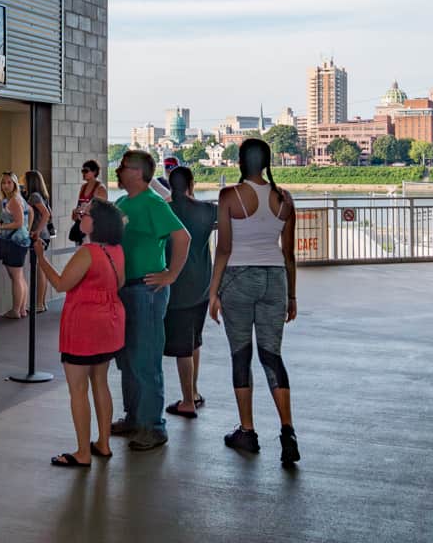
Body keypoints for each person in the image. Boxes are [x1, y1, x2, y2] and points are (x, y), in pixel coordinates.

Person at [208, 138, 301, 464]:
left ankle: (247, 431)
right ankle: (287, 429)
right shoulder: (284, 198)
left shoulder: (229, 196)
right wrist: (291, 295)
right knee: (272, 355)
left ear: (239, 162)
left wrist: (213, 291)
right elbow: (289, 253)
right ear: (266, 162)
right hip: (275, 278)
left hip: (238, 278)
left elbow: (224, 248)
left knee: (241, 353)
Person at [34, 198, 126, 466]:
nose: (81, 216)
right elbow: (119, 282)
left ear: (95, 223)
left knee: (77, 389)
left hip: (84, 324)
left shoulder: (87, 253)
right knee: (101, 382)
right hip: (111, 321)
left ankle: (83, 453)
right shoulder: (117, 250)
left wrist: (41, 258)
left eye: (85, 214)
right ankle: (104, 443)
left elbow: (61, 284)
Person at [110, 150, 190, 451]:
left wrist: (171, 274)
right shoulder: (122, 203)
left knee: (145, 358)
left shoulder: (153, 203)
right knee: (128, 359)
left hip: (146, 291)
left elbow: (182, 237)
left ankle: (153, 426)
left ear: (139, 173)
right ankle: (134, 418)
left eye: (124, 167)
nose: (118, 171)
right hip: (125, 290)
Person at [163, 166, 217, 419]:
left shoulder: (165, 210)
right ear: (192, 184)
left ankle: (186, 401)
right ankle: (193, 392)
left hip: (176, 287)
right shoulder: (207, 210)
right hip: (203, 285)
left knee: (182, 347)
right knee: (195, 341)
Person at [0, 172, 31, 319]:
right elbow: (30, 212)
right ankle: (21, 309)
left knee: (15, 277)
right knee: (19, 277)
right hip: (19, 240)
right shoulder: (13, 199)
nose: (6, 185)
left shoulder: (14, 200)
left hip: (15, 242)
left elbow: (19, 223)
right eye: (4, 183)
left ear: (14, 184)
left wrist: (1, 227)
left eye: (9, 182)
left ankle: (16, 310)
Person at [24, 170, 53, 313]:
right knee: (41, 267)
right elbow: (49, 213)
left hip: (39, 236)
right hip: (44, 235)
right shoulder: (42, 195)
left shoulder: (34, 196)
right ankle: (42, 302)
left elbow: (46, 214)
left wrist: (37, 231)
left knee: (39, 269)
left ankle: (39, 304)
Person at [69, 160, 109, 245]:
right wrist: (76, 213)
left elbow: (102, 213)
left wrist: (86, 211)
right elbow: (78, 207)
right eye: (82, 171)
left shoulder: (100, 188)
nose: (83, 173)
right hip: (81, 227)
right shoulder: (83, 187)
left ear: (94, 172)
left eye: (86, 171)